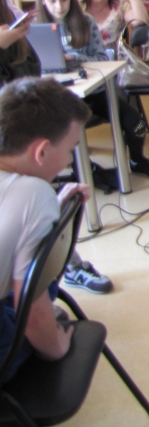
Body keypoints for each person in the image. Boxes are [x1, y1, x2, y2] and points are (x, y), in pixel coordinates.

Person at [1, 0, 112, 295]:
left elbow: (30, 67)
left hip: (20, 119)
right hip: (11, 128)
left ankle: (64, 268)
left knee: (39, 204)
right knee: (32, 205)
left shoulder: (11, 15)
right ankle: (45, 281)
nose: (59, 5)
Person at [0, 77, 93, 380]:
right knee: (41, 291)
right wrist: (57, 347)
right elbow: (33, 314)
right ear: (41, 152)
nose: (68, 161)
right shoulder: (33, 194)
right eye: (70, 150)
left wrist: (50, 207)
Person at [35, 0, 149, 181]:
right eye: (52, 1)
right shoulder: (35, 28)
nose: (59, 6)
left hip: (93, 91)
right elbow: (33, 66)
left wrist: (71, 57)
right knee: (65, 131)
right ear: (42, 1)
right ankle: (84, 170)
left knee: (135, 123)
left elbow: (100, 57)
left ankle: (137, 160)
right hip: (57, 97)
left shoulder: (85, 21)